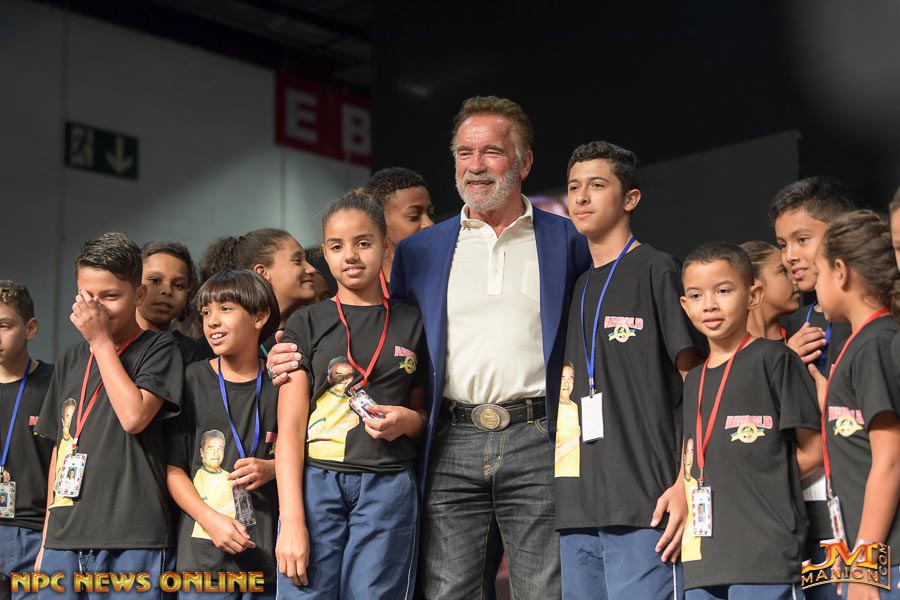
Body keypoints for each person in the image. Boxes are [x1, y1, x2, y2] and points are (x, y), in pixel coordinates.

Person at [386, 96, 591, 599]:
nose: (475, 166)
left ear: (524, 163)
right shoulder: (419, 251)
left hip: (539, 437)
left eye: (492, 152)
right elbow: (396, 343)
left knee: (544, 592)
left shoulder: (569, 241)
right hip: (450, 441)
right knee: (449, 592)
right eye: (464, 153)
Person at [556, 141, 703, 599]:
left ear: (630, 198)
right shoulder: (578, 285)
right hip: (579, 507)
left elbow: (696, 381)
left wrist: (687, 482)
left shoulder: (657, 269)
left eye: (597, 185)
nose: (581, 197)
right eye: (574, 187)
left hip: (647, 501)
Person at [276, 193, 427, 599]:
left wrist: (410, 422)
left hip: (387, 484)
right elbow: (290, 428)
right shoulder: (306, 322)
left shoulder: (412, 320)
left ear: (384, 245)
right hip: (316, 482)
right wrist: (291, 521)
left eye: (363, 243)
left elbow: (423, 413)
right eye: (337, 246)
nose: (351, 256)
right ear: (325, 253)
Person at [35, 232, 183, 599]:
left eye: (110, 296)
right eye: (87, 296)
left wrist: (100, 342)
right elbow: (60, 448)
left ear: (139, 294)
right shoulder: (71, 358)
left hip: (132, 537)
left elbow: (134, 417)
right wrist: (47, 538)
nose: (95, 309)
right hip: (65, 537)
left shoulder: (159, 348)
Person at [678, 242, 821, 599]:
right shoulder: (693, 380)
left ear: (753, 296)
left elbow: (815, 449)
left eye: (723, 291)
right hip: (704, 558)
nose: (709, 304)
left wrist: (764, 477)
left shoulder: (776, 360)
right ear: (684, 305)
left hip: (764, 554)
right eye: (696, 295)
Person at [166, 269, 280, 598]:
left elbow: (305, 455)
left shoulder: (281, 384)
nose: (212, 321)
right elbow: (173, 469)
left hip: (267, 559)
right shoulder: (191, 380)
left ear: (260, 316)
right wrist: (209, 519)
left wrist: (272, 468)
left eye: (226, 309)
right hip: (203, 560)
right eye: (206, 312)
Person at [770, 177, 855, 597]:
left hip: (864, 502)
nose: (790, 255)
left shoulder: (872, 317)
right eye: (782, 244)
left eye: (802, 239)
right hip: (808, 511)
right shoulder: (791, 326)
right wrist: (786, 361)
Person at [812, 211, 900, 600]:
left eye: (819, 273)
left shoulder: (876, 343)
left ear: (841, 272)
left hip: (888, 559)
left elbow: (890, 459)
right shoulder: (861, 343)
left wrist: (865, 567)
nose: (815, 286)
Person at [0, 281, 54, 600]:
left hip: (35, 532)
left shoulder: (54, 383)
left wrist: (50, 539)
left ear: (30, 328)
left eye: (4, 326)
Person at [200, 229, 317, 352]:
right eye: (297, 261)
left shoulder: (314, 330)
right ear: (262, 272)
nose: (311, 269)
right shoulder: (220, 346)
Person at [137, 241, 206, 363]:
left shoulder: (193, 354)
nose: (167, 291)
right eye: (155, 280)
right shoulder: (107, 340)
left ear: (188, 294)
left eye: (178, 285)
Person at [364, 167, 435, 283]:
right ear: (379, 220)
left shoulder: (444, 277)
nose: (429, 224)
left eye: (430, 214)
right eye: (414, 216)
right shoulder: (356, 283)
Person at [739, 241, 800, 342]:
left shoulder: (802, 337)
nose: (796, 279)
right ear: (753, 283)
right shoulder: (724, 348)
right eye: (783, 271)